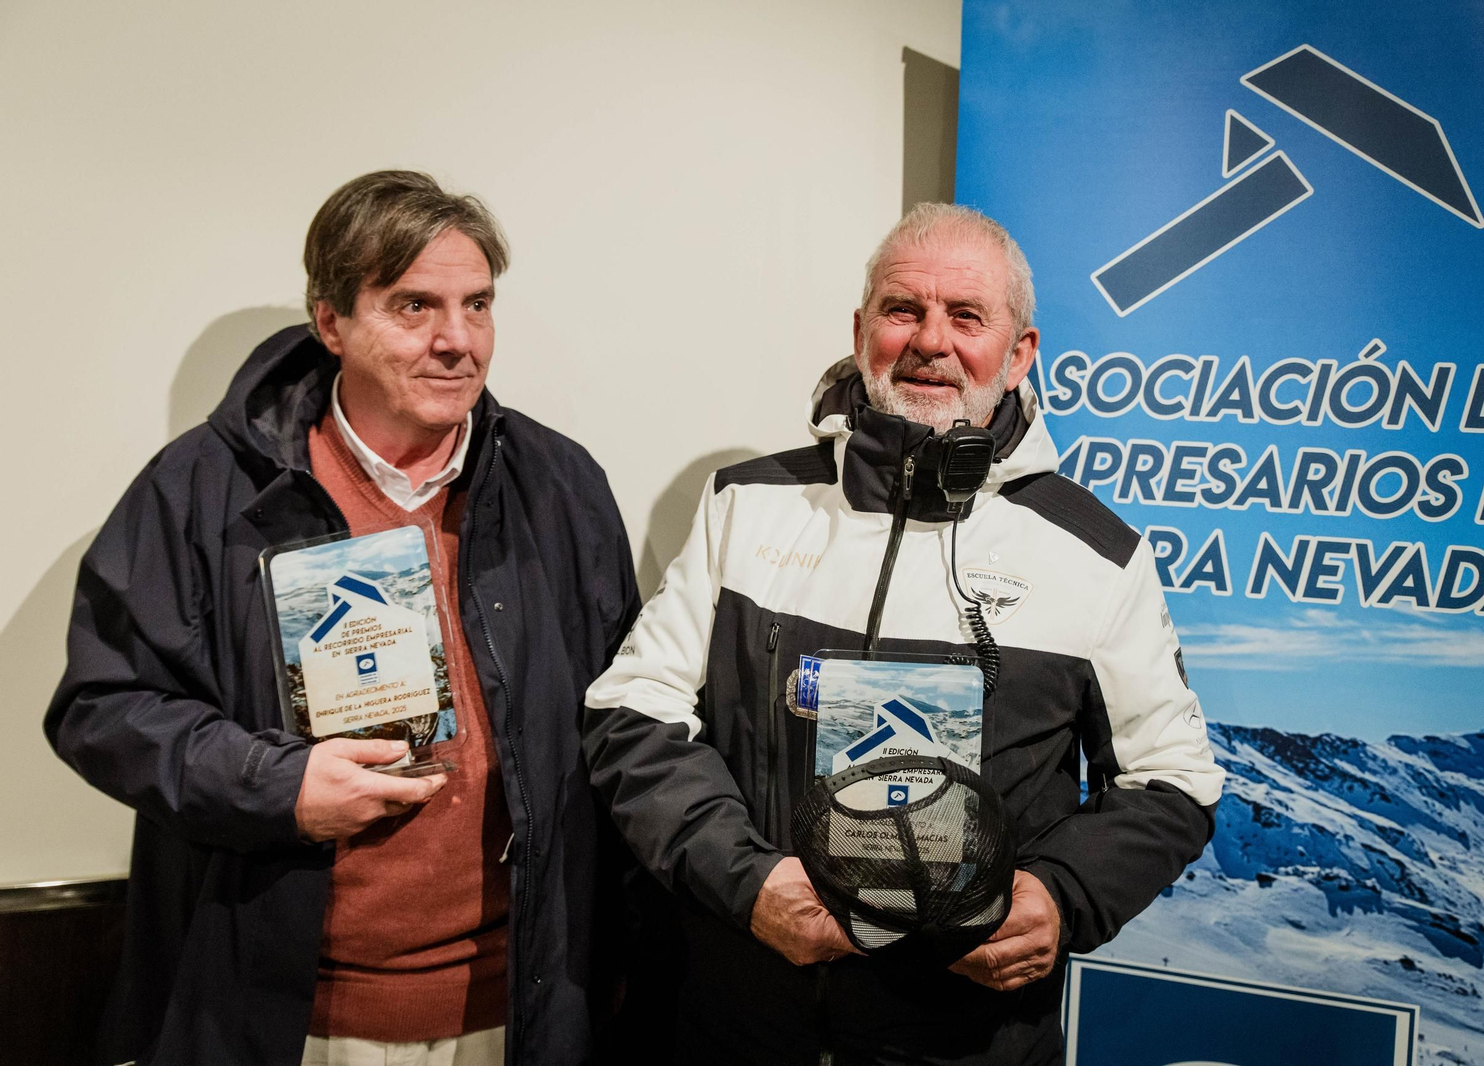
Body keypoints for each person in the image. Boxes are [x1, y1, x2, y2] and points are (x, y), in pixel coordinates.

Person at [583, 202, 1225, 1065]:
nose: (930, 341)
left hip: (966, 1034)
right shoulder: (746, 504)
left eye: (966, 317)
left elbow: (1173, 779)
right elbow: (631, 710)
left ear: (1020, 352)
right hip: (739, 1020)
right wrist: (748, 881)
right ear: (861, 332)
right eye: (902, 310)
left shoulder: (1097, 556)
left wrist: (1061, 896)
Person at [45, 171, 639, 1066]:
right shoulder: (203, 490)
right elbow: (102, 706)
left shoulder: (560, 486)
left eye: (477, 304)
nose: (458, 341)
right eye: (414, 306)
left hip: (517, 1011)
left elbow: (619, 722)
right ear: (332, 323)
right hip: (289, 1018)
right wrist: (276, 787)